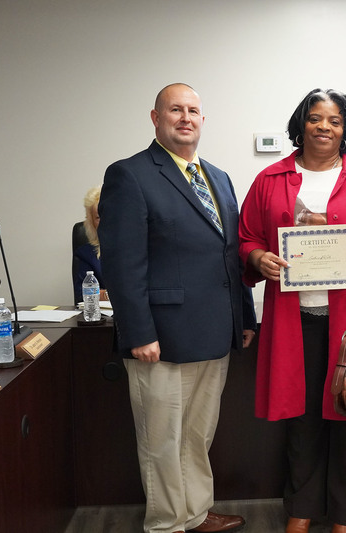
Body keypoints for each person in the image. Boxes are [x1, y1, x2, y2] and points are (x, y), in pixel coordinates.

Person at [238, 88, 346, 533]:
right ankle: (302, 507)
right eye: (316, 118)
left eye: (334, 121)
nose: (324, 127)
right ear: (302, 122)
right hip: (294, 322)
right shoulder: (271, 180)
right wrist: (259, 259)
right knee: (302, 420)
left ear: (345, 129)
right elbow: (247, 238)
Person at [98, 83, 256, 533]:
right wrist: (138, 332)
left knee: (197, 435)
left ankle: (197, 512)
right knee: (161, 441)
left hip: (215, 332)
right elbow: (124, 265)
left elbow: (231, 252)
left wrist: (242, 316)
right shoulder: (129, 175)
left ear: (202, 120)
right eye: (175, 110)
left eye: (193, 111)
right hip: (160, 337)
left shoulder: (218, 177)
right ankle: (167, 524)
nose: (185, 118)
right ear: (155, 118)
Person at [72, 185, 108, 302]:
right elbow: (82, 294)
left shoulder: (142, 248)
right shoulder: (86, 254)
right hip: (103, 317)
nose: (106, 221)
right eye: (98, 217)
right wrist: (110, 295)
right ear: (91, 222)